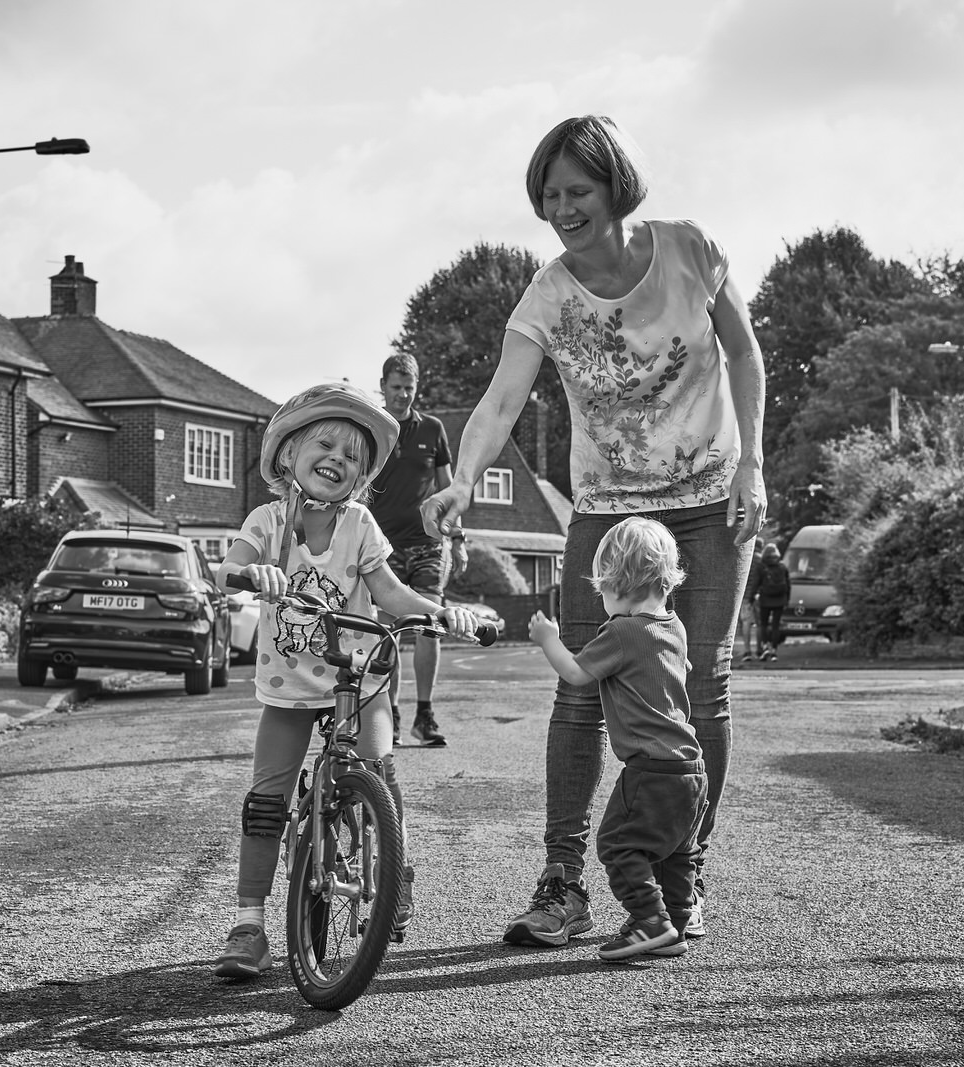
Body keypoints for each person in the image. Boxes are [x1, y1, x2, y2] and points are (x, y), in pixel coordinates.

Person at [421, 115, 766, 949]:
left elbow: (748, 359)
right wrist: (462, 480)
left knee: (703, 686)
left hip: (711, 499)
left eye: (576, 190)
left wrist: (754, 463)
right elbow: (500, 399)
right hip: (608, 511)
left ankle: (683, 877)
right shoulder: (547, 295)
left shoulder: (691, 252)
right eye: (547, 196)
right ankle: (563, 885)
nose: (561, 208)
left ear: (616, 185)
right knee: (579, 690)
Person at [212, 381, 481, 979]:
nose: (338, 458)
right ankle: (249, 924)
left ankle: (390, 871)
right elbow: (229, 568)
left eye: (353, 456)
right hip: (288, 688)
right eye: (325, 445)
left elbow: (389, 592)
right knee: (265, 802)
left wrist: (440, 613)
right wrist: (249, 573)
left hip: (359, 679)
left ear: (360, 478)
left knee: (378, 773)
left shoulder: (360, 525)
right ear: (289, 456)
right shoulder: (268, 520)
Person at [526, 517, 705, 960]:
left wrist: (549, 639)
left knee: (618, 844)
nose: (601, 598)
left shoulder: (622, 631)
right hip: (692, 769)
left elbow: (576, 675)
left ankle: (649, 921)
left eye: (603, 589)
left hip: (650, 767)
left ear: (621, 585)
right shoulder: (675, 629)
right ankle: (676, 920)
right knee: (677, 851)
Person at [367, 354, 469, 747]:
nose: (403, 395)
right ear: (383, 386)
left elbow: (449, 491)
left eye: (409, 387)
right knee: (388, 633)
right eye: (396, 387)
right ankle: (388, 714)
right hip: (381, 547)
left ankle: (423, 716)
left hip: (428, 543)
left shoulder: (433, 429)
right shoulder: (372, 428)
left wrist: (457, 539)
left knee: (430, 625)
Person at [751, 542, 789, 662]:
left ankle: (765, 647)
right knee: (775, 626)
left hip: (765, 599)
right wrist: (787, 599)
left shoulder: (762, 567)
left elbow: (756, 583)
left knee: (763, 624)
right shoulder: (782, 567)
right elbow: (788, 585)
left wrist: (751, 597)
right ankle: (774, 651)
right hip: (779, 599)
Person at [737, 537, 766, 663]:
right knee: (760, 624)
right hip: (759, 596)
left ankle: (747, 651)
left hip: (745, 596)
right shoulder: (762, 561)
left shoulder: (745, 558)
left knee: (746, 623)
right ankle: (759, 650)